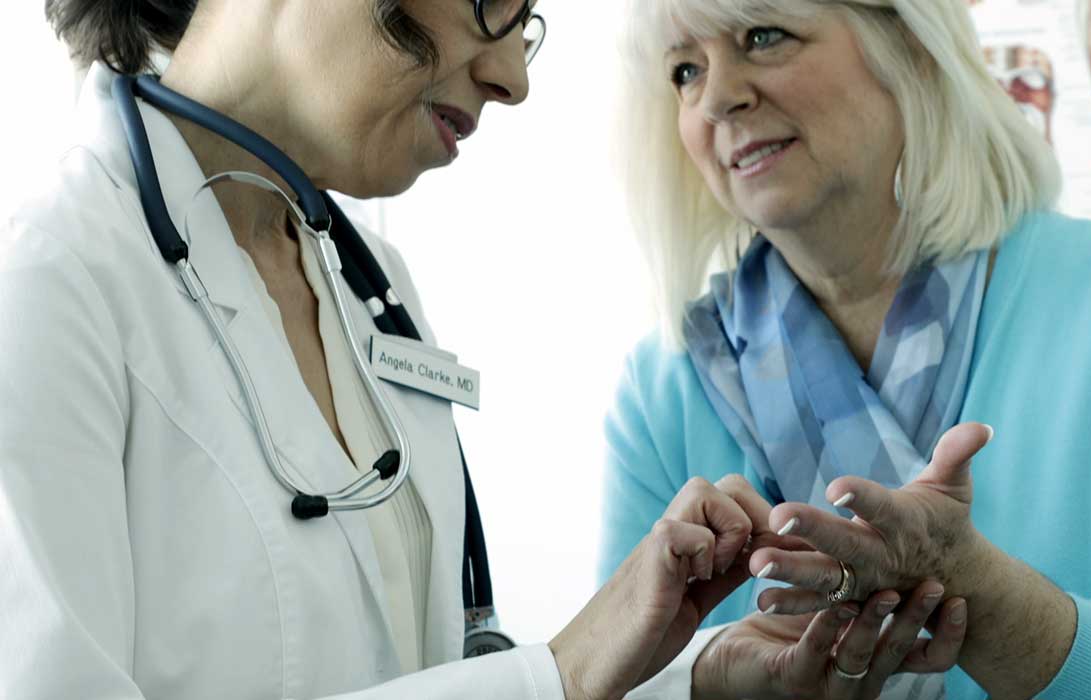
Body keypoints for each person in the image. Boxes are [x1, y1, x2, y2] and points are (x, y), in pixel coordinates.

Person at [0, 1, 964, 698]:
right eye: (491, 5)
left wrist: (696, 676)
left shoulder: (371, 284)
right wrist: (565, 671)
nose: (515, 78)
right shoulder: (47, 283)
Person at [600, 0, 1091, 698]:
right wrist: (710, 681)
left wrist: (979, 598)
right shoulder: (664, 388)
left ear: (907, 45)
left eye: (763, 36)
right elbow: (609, 681)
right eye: (685, 71)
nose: (719, 97)